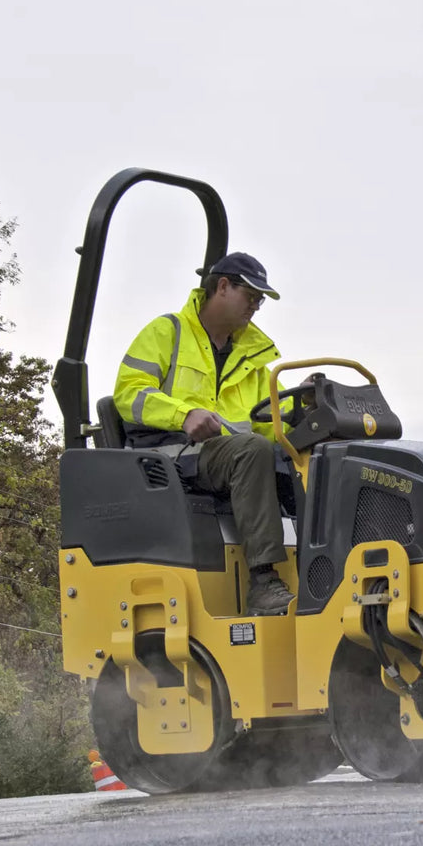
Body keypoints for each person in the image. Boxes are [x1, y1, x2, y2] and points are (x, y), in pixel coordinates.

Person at [113, 251, 295, 615]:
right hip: (171, 457)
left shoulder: (252, 359)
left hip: (227, 459)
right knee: (252, 451)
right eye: (252, 296)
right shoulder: (166, 333)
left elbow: (272, 424)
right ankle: (263, 580)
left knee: (308, 458)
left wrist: (306, 415)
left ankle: (322, 571)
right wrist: (183, 415)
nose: (257, 306)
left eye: (261, 300)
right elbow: (128, 393)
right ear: (223, 286)